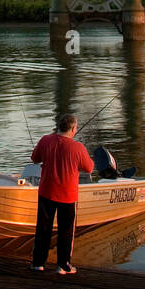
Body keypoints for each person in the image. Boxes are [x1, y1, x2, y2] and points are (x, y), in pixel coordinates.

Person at [30, 113, 94, 275]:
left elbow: (34, 158)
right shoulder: (77, 147)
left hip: (46, 191)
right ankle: (63, 265)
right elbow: (89, 168)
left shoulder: (45, 140)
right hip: (67, 194)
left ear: (59, 127)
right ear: (73, 129)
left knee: (43, 227)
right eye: (76, 128)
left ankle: (38, 263)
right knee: (66, 230)